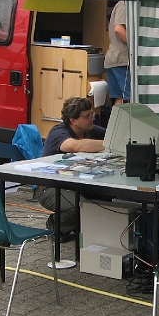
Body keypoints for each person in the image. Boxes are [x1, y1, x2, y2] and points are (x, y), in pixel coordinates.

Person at [36, 97, 105, 240]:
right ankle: (56, 225)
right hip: (50, 187)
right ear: (73, 120)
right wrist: (111, 144)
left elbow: (113, 135)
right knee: (80, 207)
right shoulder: (58, 132)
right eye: (87, 116)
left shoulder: (91, 130)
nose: (92, 119)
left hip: (76, 184)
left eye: (92, 114)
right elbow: (76, 146)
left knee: (107, 199)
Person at [104, 0, 129, 105]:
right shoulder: (125, 4)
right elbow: (118, 28)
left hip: (114, 59)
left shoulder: (121, 4)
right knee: (130, 98)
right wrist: (136, 45)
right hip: (122, 60)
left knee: (120, 98)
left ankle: (116, 117)